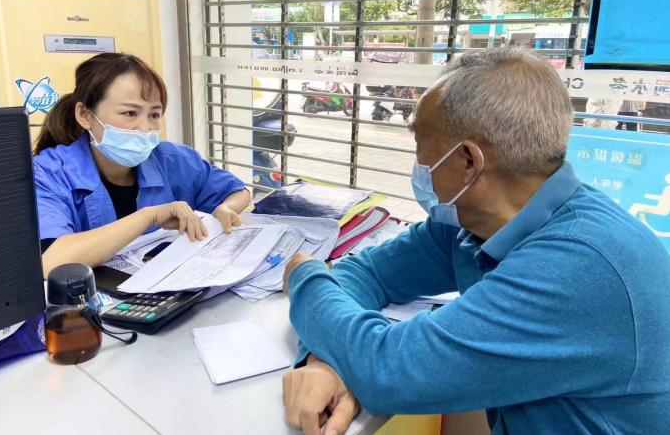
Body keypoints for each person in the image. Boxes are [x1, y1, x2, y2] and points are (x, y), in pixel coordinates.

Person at [281, 48, 670, 435]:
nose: (418, 164)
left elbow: (388, 370)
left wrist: (305, 275)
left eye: (420, 146)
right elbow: (369, 273)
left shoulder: (580, 266)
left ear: (468, 160)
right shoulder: (471, 221)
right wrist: (323, 363)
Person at [33, 53, 251, 276]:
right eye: (130, 113)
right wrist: (150, 217)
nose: (145, 128)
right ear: (85, 115)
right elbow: (51, 261)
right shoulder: (47, 173)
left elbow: (238, 191)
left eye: (154, 115)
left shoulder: (171, 158)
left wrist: (225, 208)